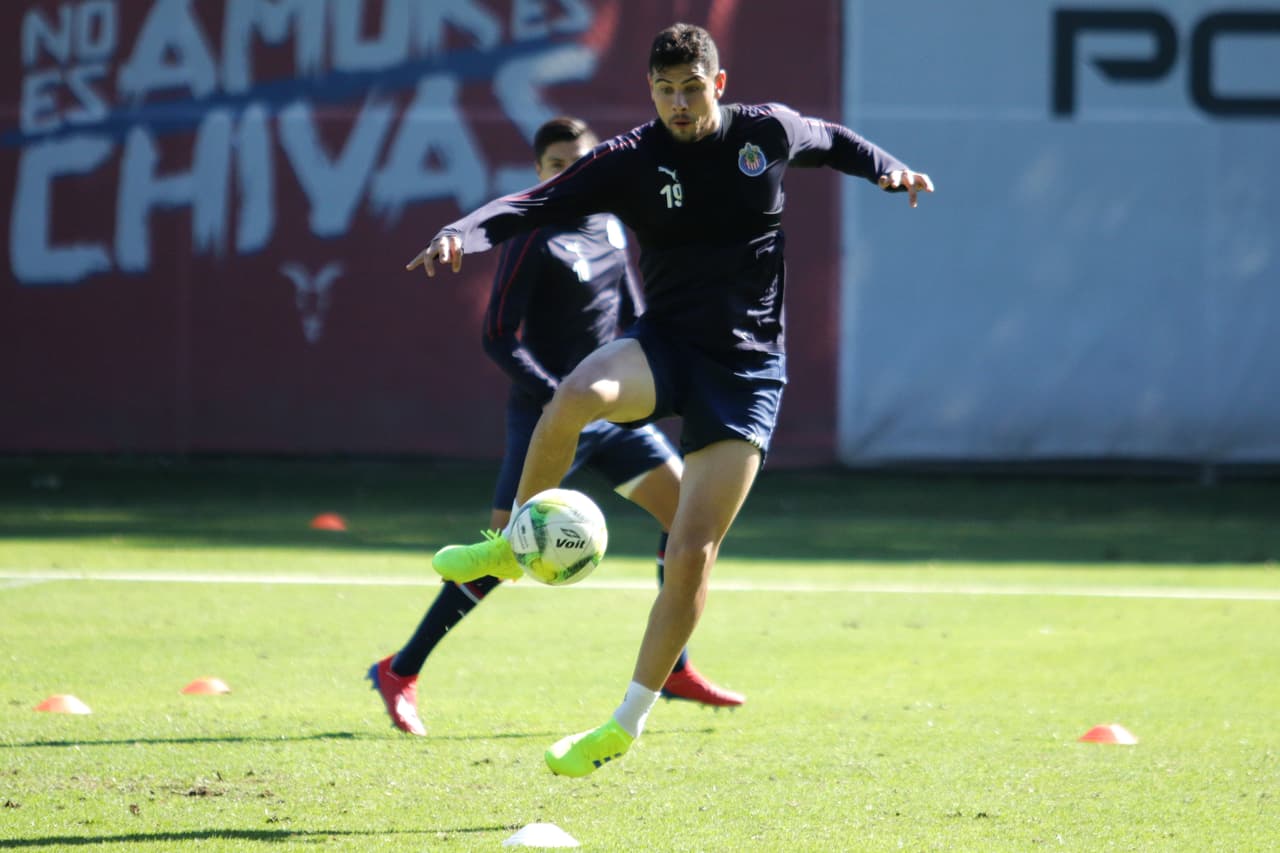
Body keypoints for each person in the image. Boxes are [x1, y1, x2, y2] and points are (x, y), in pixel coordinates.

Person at [406, 23, 933, 776]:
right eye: (664, 90)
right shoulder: (629, 160)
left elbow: (834, 140)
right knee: (574, 395)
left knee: (690, 552)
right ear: (650, 92)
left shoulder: (766, 131)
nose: (678, 104)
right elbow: (533, 201)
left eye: (691, 88)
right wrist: (463, 231)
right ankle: (509, 543)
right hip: (665, 347)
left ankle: (623, 723)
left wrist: (890, 169)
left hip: (747, 373)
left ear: (717, 84)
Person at [369, 116, 744, 738]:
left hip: (614, 414)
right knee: (503, 556)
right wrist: (560, 403)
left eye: (582, 162)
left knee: (689, 518)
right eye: (558, 165)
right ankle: (399, 669)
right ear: (539, 173)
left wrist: (653, 382)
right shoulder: (532, 236)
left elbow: (636, 317)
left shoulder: (614, 229)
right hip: (551, 420)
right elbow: (497, 338)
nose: (572, 174)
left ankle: (674, 667)